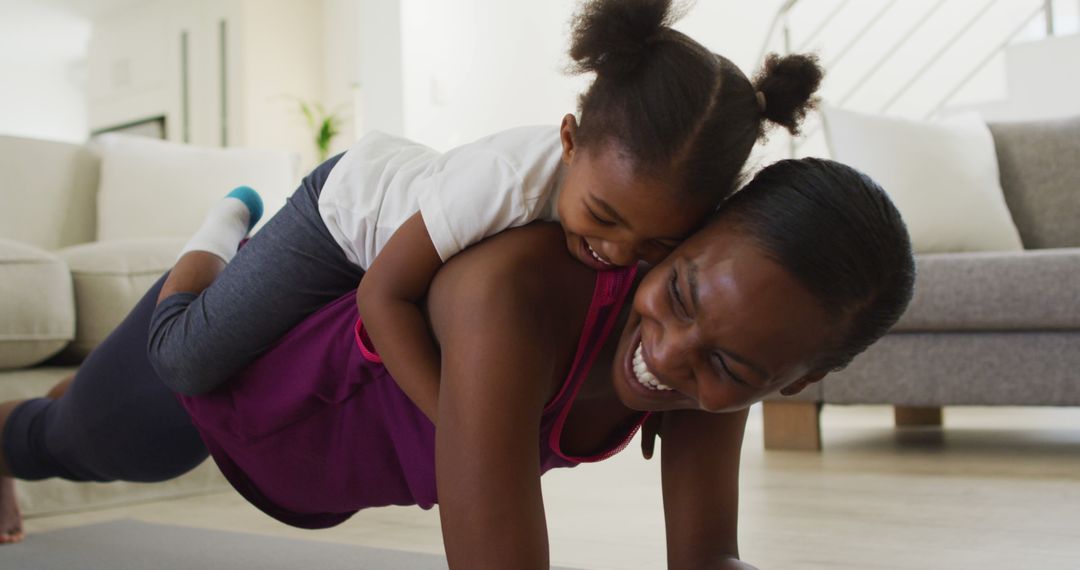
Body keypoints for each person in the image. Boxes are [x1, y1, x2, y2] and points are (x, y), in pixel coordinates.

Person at [0, 156, 915, 569]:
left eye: (734, 368)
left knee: (82, 420)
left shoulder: (727, 363)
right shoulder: (510, 294)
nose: (670, 360)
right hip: (236, 375)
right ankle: (216, 237)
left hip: (310, 469)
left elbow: (706, 556)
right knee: (73, 443)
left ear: (792, 380)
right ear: (687, 239)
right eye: (676, 294)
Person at [146, 0, 824, 423]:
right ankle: (224, 223)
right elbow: (383, 295)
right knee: (184, 363)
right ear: (567, 141)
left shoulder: (668, 220)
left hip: (422, 199)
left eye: (658, 243)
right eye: (604, 217)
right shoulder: (503, 179)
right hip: (345, 213)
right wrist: (455, 418)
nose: (620, 252)